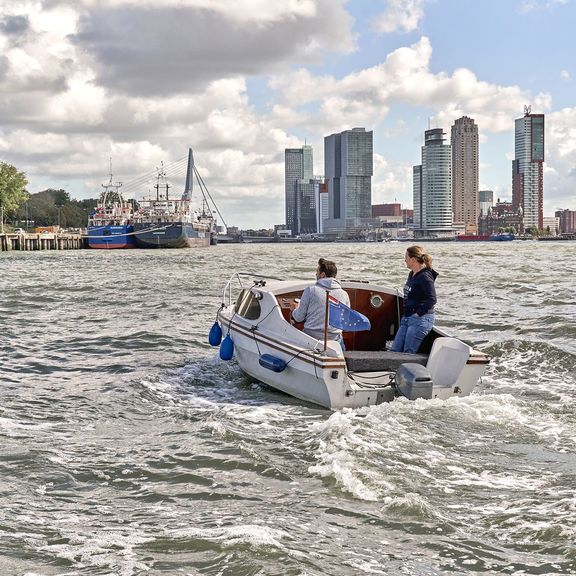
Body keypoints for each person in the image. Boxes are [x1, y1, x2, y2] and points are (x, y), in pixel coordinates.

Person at [291, 258, 350, 347]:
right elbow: (345, 322)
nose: (315, 274)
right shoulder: (344, 294)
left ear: (322, 275)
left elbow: (298, 318)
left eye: (317, 272)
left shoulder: (310, 290)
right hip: (335, 342)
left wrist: (294, 309)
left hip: (311, 340)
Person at [390, 245, 438, 354]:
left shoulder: (425, 276)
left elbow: (432, 299)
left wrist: (418, 314)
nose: (404, 260)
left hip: (421, 319)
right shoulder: (412, 274)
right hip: (407, 318)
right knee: (394, 350)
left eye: (406, 257)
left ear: (413, 260)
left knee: (408, 352)